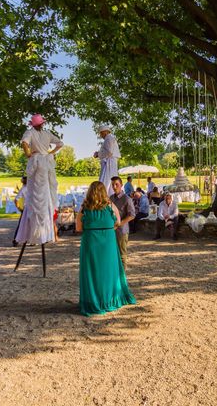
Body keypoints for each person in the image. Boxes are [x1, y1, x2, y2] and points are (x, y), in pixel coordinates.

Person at [76, 181, 136, 316]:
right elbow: (118, 222)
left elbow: (78, 228)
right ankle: (109, 300)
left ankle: (92, 302)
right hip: (108, 242)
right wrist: (108, 229)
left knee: (92, 272)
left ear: (90, 192)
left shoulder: (84, 207)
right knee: (109, 271)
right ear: (104, 191)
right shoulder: (110, 205)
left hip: (91, 242)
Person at [15, 114, 64, 246]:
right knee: (46, 192)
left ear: (33, 124)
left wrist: (28, 154)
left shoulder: (30, 132)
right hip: (46, 162)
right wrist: (50, 153)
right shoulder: (47, 133)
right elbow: (60, 143)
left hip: (37, 161)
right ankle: (46, 231)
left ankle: (38, 231)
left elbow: (24, 143)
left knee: (36, 193)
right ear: (41, 123)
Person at [109, 176, 136, 267]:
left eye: (116, 184)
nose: (114, 187)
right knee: (113, 253)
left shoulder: (127, 199)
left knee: (122, 255)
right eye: (113, 185)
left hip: (122, 231)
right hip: (111, 230)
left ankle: (122, 277)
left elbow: (132, 215)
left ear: (121, 185)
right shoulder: (111, 198)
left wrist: (120, 224)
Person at [94, 125, 121, 195]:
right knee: (108, 180)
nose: (101, 135)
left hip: (109, 162)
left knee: (107, 180)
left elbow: (109, 152)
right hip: (109, 162)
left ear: (105, 132)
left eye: (101, 133)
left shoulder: (109, 138)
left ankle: (105, 196)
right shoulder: (110, 138)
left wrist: (98, 154)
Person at [12, 176, 27, 246]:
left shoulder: (23, 189)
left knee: (21, 224)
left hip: (27, 208)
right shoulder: (33, 188)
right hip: (32, 208)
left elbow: (16, 200)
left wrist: (19, 208)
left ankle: (16, 240)